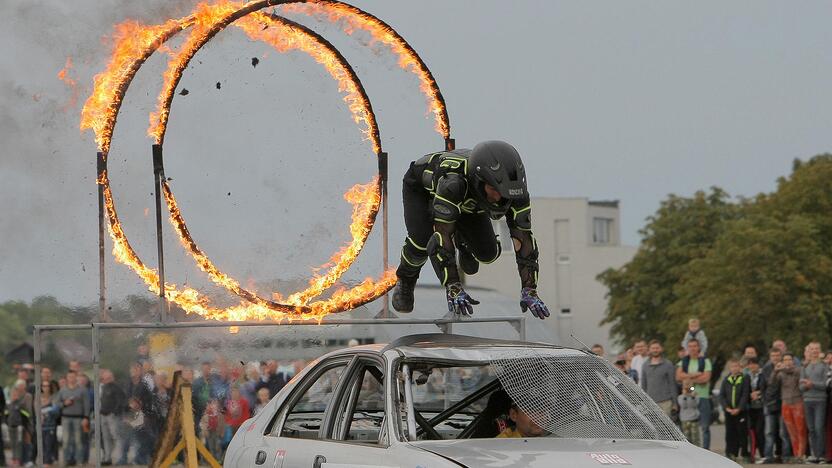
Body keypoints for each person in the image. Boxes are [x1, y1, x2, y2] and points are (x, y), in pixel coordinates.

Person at [390, 141, 550, 319]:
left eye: (505, 193)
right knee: (422, 242)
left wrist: (529, 288)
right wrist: (453, 287)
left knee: (488, 254)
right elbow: (441, 237)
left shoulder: (517, 194)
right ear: (478, 181)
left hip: (467, 202)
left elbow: (524, 239)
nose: (499, 199)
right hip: (423, 190)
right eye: (493, 190)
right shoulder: (453, 184)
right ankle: (406, 278)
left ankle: (463, 241)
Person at [675, 339, 713, 449]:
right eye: (690, 346)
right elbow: (678, 377)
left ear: (699, 347)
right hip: (688, 398)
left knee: (705, 427)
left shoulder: (705, 361)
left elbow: (705, 378)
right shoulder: (684, 362)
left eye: (695, 346)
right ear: (687, 348)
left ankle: (706, 450)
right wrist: (696, 375)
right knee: (688, 427)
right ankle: (691, 450)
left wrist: (688, 379)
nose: (692, 348)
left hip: (702, 396)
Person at [773, 353, 807, 461]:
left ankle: (801, 454)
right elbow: (772, 384)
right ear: (783, 361)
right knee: (791, 431)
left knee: (800, 430)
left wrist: (785, 369)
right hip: (785, 403)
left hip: (797, 402)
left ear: (793, 361)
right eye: (785, 360)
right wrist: (775, 371)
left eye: (789, 359)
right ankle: (796, 453)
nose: (788, 361)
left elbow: (797, 374)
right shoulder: (780, 373)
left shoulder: (798, 370)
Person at [761, 347, 790, 463]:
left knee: (783, 433)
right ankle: (768, 456)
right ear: (770, 357)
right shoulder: (766, 369)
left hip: (783, 403)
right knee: (769, 432)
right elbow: (765, 386)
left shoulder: (786, 368)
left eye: (778, 356)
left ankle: (786, 456)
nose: (776, 358)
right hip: (769, 404)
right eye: (773, 356)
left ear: (781, 356)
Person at [800, 341, 827, 463]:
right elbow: (800, 387)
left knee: (819, 427)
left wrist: (812, 384)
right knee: (811, 428)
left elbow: (825, 385)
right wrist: (806, 386)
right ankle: (815, 455)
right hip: (807, 400)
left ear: (820, 351)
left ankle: (821, 455)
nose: (814, 351)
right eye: (812, 349)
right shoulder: (804, 367)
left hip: (820, 400)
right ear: (809, 351)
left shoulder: (824, 366)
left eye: (817, 349)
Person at [57, 370, 90, 466]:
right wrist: (64, 403)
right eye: (69, 377)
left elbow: (86, 405)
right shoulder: (62, 390)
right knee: (66, 441)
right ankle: (66, 461)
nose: (71, 378)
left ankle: (79, 461)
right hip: (66, 418)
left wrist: (86, 417)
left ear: (76, 377)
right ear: (67, 378)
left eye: (73, 376)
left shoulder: (82, 390)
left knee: (78, 441)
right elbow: (57, 404)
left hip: (79, 419)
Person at [720, 359, 750, 461]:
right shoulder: (726, 380)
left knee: (742, 433)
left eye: (736, 366)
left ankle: (745, 454)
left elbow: (745, 395)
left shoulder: (744, 378)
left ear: (740, 367)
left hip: (741, 411)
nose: (734, 368)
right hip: (729, 412)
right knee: (730, 433)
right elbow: (722, 395)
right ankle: (731, 453)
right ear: (730, 368)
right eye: (732, 366)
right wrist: (726, 408)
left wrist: (739, 408)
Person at [640, 340, 677, 418]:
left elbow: (672, 384)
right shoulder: (645, 365)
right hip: (651, 403)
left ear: (661, 349)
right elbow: (643, 385)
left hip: (666, 402)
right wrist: (644, 402)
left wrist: (675, 403)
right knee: (655, 428)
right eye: (653, 348)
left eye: (657, 348)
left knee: (668, 427)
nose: (655, 350)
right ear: (649, 350)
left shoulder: (668, 364)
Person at [100, 369, 126, 466]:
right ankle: (107, 458)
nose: (106, 379)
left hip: (113, 416)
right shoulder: (104, 387)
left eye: (108, 378)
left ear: (112, 377)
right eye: (104, 378)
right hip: (103, 415)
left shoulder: (117, 388)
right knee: (106, 438)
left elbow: (121, 402)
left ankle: (120, 458)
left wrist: (113, 412)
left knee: (117, 437)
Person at [7, 380, 33, 467]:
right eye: (12, 394)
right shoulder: (9, 404)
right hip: (11, 426)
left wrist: (21, 411)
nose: (14, 396)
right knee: (12, 443)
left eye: (15, 394)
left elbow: (26, 414)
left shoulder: (20, 404)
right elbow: (6, 414)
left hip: (19, 426)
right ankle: (13, 458)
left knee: (19, 443)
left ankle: (19, 460)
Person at [745, 357, 766, 461]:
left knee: (760, 431)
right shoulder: (746, 377)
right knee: (751, 433)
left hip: (761, 407)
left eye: (754, 364)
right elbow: (744, 391)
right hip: (750, 408)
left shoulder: (763, 376)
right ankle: (752, 455)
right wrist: (750, 395)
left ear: (758, 365)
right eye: (750, 364)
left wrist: (759, 393)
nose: (752, 366)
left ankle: (763, 454)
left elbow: (766, 388)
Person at [39, 381, 61, 467]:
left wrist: (45, 411)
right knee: (42, 445)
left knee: (49, 445)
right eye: (44, 386)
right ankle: (45, 460)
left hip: (50, 426)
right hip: (41, 427)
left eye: (47, 386)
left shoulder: (53, 398)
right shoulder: (38, 398)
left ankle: (48, 462)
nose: (46, 388)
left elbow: (56, 411)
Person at [678, 379, 701, 446]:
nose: (688, 389)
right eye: (686, 386)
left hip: (694, 419)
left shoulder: (695, 396)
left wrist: (693, 397)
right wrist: (685, 396)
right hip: (685, 420)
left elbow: (695, 405)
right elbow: (683, 406)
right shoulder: (680, 397)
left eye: (690, 386)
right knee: (686, 438)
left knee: (695, 438)